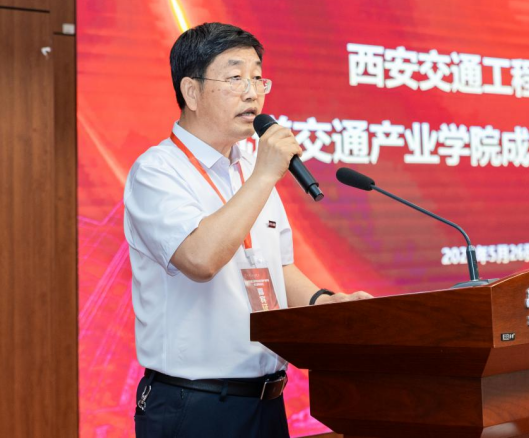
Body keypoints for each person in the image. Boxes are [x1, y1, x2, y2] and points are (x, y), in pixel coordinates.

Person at [123, 22, 371, 438]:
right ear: (191, 92)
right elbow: (200, 259)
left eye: (258, 78)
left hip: (266, 402)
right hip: (194, 406)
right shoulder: (157, 171)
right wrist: (264, 176)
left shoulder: (250, 168)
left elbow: (276, 267)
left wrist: (325, 302)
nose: (252, 92)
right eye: (235, 77)